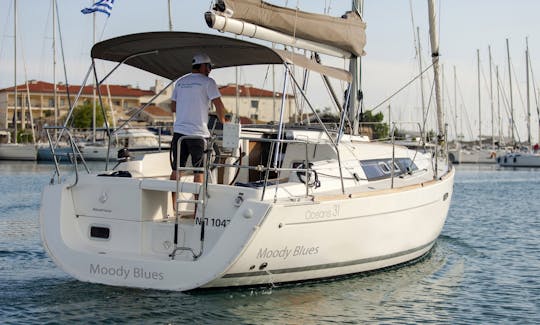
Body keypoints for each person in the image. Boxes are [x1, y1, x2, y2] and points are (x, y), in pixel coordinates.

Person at [169, 53, 226, 213]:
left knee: (176, 170)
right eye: (209, 67)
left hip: (179, 132)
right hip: (198, 134)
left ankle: (173, 207)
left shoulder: (180, 82)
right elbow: (219, 105)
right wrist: (224, 123)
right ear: (203, 66)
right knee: (199, 171)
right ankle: (196, 211)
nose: (210, 70)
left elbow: (173, 107)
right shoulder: (208, 82)